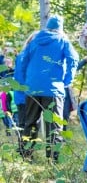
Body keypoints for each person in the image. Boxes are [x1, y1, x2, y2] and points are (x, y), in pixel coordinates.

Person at [20, 15, 79, 161]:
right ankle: (53, 159)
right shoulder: (62, 40)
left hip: (32, 88)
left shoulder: (33, 41)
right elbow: (74, 59)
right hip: (53, 89)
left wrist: (24, 82)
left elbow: (22, 61)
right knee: (54, 124)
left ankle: (26, 156)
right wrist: (67, 80)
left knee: (30, 122)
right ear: (60, 29)